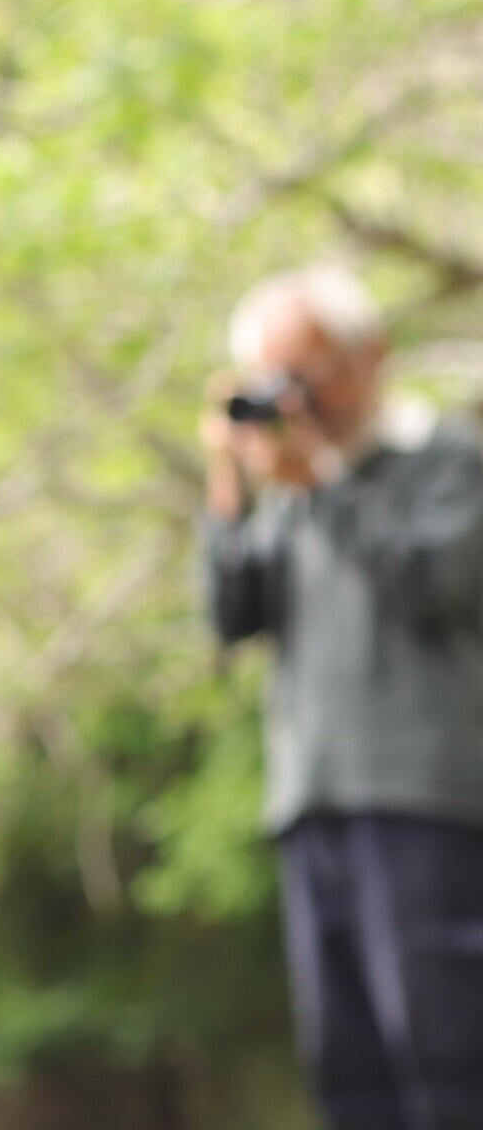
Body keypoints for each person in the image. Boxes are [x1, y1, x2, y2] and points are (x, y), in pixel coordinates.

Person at [201, 263, 483, 1130]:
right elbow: (232, 616)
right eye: (273, 377)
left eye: (306, 371)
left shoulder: (443, 460)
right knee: (347, 1067)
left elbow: (434, 581)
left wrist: (322, 481)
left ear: (372, 356)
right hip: (311, 799)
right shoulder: (289, 497)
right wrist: (230, 487)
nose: (295, 397)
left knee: (448, 1050)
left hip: (422, 794)